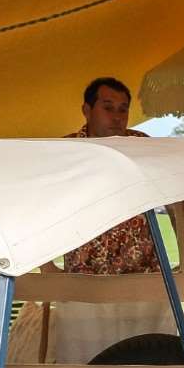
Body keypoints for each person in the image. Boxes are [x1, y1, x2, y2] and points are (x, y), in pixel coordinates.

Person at [61, 76, 161, 274]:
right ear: (87, 110)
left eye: (123, 109)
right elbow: (38, 204)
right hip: (85, 274)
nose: (117, 116)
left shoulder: (143, 145)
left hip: (143, 272)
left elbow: (175, 200)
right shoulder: (65, 151)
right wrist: (46, 268)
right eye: (108, 108)